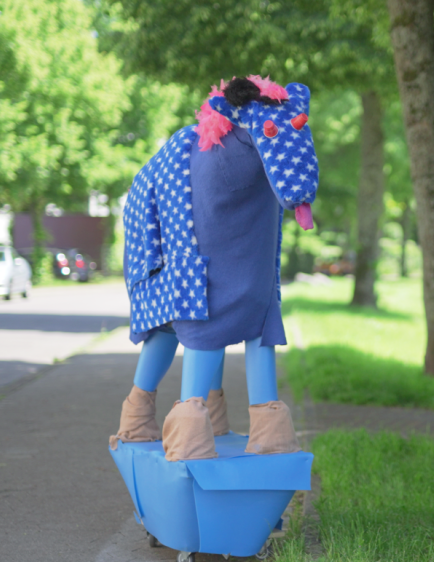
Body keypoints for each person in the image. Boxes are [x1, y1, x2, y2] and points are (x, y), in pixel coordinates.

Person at [111, 75, 318, 461]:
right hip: (183, 260)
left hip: (252, 261)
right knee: (187, 327)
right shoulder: (207, 158)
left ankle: (266, 434)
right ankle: (160, 424)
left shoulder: (262, 157)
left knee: (256, 321)